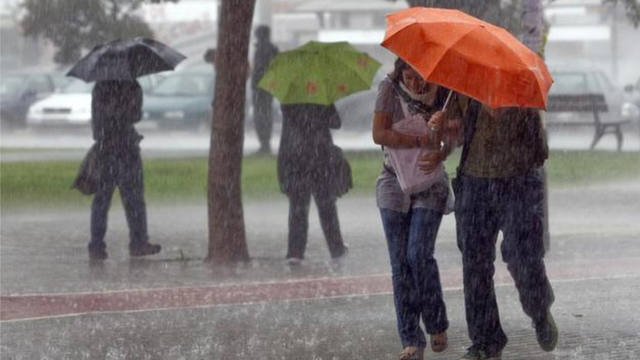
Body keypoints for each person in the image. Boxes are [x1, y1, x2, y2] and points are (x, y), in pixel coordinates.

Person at [372, 58, 462, 360]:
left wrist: (441, 143)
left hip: (429, 183)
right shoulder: (388, 88)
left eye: (422, 75)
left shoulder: (446, 93)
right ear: (401, 70)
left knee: (418, 254)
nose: (415, 81)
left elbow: (455, 136)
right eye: (409, 73)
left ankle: (436, 322)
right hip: (392, 181)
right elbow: (379, 134)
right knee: (400, 264)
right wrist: (420, 139)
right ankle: (411, 340)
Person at [453, 100, 557, 360]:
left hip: (517, 181)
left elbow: (540, 151)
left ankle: (539, 309)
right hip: (474, 182)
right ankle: (485, 340)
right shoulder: (462, 87)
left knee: (522, 256)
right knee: (474, 264)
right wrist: (444, 129)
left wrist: (512, 113)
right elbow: (453, 136)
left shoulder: (518, 89)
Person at [88, 80, 161, 260]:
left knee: (101, 200)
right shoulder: (132, 85)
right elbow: (135, 115)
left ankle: (96, 246)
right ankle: (138, 242)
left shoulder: (99, 87)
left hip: (105, 148)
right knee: (134, 199)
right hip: (126, 148)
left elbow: (97, 120)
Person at [278, 103, 350, 265]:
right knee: (326, 206)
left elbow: (287, 131)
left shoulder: (289, 101)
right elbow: (336, 123)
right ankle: (336, 248)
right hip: (320, 157)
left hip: (295, 158)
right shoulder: (321, 97)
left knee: (298, 207)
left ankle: (295, 252)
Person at [251, 25, 279, 154]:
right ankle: (265, 143)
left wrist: (256, 82)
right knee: (266, 115)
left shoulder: (262, 49)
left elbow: (259, 69)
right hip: (269, 87)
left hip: (260, 87)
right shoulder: (273, 49)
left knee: (260, 116)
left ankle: (264, 144)